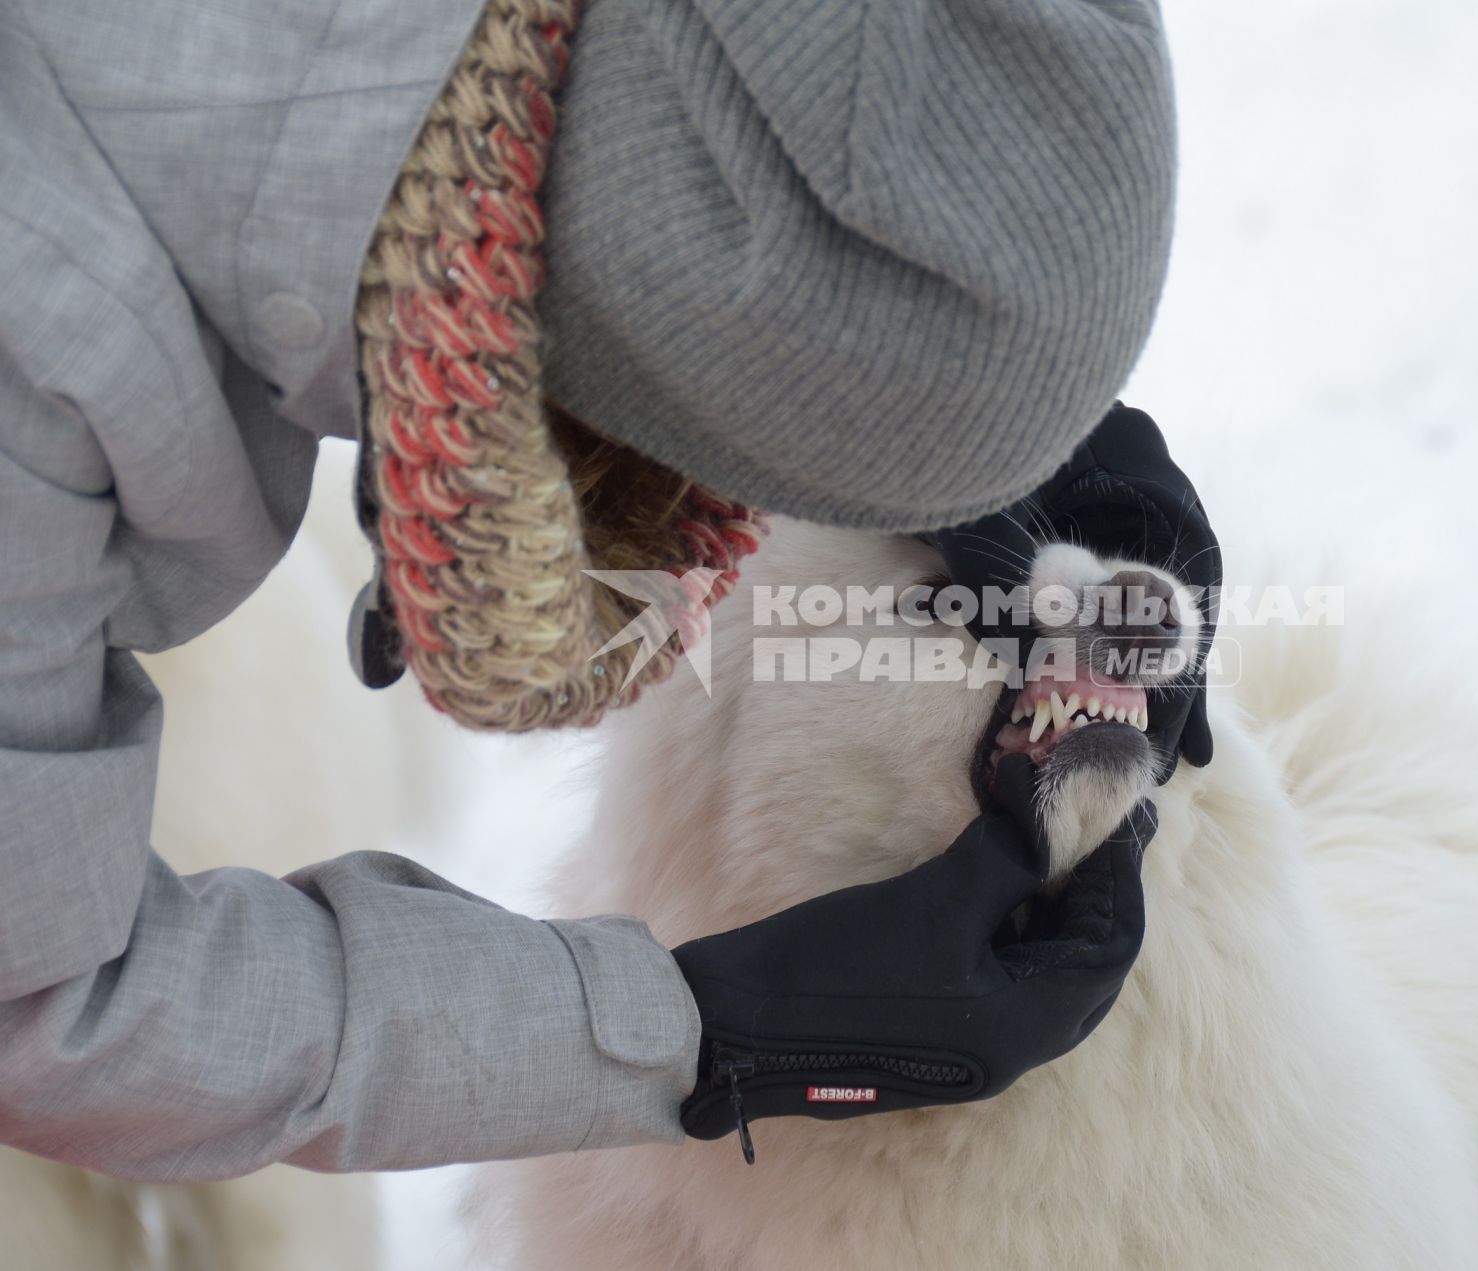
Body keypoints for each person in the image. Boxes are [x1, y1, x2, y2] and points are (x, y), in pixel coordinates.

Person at [0, 0, 1212, 1178]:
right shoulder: (39, 348)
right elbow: (38, 997)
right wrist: (709, 1020)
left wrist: (1013, 414)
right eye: (765, 460)